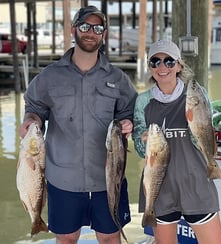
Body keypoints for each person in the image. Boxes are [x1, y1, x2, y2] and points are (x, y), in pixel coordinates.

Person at [19, 6, 137, 244]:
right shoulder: (49, 76)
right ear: (73, 30)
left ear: (103, 34)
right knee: (67, 238)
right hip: (63, 178)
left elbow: (131, 113)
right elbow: (34, 110)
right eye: (85, 26)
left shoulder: (118, 78)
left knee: (110, 237)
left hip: (107, 179)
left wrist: (129, 123)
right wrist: (31, 121)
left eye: (97, 28)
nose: (90, 32)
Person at [132, 39, 221, 244]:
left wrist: (199, 125)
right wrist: (143, 140)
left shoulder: (196, 95)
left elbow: (205, 138)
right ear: (149, 67)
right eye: (155, 61)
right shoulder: (143, 101)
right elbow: (139, 150)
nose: (162, 67)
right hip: (160, 187)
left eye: (169, 61)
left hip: (196, 182)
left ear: (179, 65)